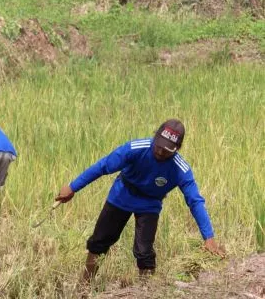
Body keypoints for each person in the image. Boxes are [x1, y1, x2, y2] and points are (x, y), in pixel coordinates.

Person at [55, 119, 225, 286]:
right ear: (155, 137)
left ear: (177, 148)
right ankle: (85, 284)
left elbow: (195, 201)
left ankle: (145, 290)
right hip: (122, 194)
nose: (160, 152)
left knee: (144, 252)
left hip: (150, 204)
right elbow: (103, 166)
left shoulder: (181, 169)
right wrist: (73, 187)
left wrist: (208, 237)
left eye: (167, 150)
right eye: (158, 146)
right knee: (99, 241)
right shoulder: (135, 148)